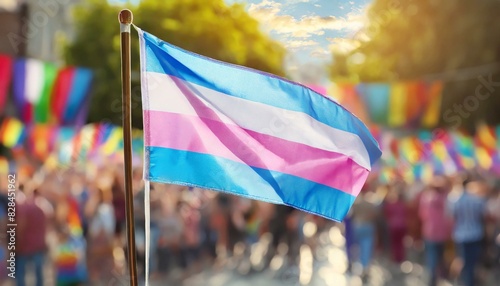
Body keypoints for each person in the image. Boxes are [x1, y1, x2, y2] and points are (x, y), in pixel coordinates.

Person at [448, 178, 489, 286]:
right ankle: (468, 281)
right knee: (472, 262)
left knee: (462, 260)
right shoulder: (476, 200)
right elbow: (483, 215)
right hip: (475, 234)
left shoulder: (455, 201)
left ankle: (464, 280)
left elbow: (451, 217)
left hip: (461, 235)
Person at [419, 177, 452, 286]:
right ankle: (442, 275)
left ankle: (433, 278)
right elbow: (449, 216)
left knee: (431, 255)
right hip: (442, 231)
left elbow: (422, 215)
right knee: (440, 254)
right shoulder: (445, 198)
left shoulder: (425, 198)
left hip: (429, 230)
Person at [17, 188, 51, 286]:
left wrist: (17, 242)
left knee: (21, 273)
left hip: (25, 245)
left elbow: (21, 226)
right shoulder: (41, 209)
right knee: (38, 272)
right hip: (37, 244)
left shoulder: (25, 208)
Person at [350, 189, 379, 280]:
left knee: (359, 247)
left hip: (359, 226)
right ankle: (365, 267)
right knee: (366, 247)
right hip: (368, 226)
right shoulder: (371, 204)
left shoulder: (357, 204)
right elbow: (375, 216)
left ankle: (357, 263)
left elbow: (352, 215)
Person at [383, 185, 408, 264]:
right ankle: (400, 257)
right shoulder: (404, 205)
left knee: (394, 243)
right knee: (400, 242)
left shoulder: (391, 205)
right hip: (402, 226)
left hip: (393, 226)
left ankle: (395, 257)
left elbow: (386, 213)